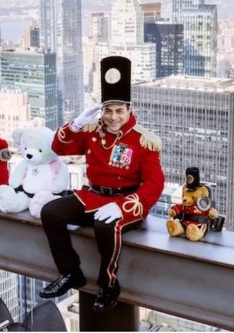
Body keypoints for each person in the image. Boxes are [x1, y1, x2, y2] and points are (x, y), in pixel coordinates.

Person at [39, 56, 165, 312]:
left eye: (119, 111)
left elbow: (155, 184)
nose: (113, 117)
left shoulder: (144, 141)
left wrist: (124, 207)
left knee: (104, 225)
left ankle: (108, 284)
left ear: (129, 110)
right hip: (93, 197)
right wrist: (75, 124)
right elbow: (58, 148)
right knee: (50, 212)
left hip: (126, 203)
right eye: (108, 110)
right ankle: (70, 273)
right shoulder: (92, 131)